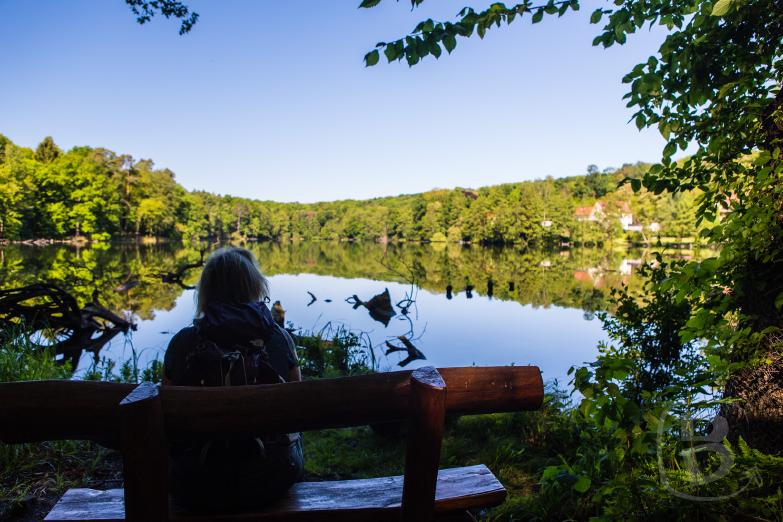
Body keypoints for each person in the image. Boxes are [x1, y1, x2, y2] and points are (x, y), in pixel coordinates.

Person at [163, 246, 303, 512]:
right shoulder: (278, 339)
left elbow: (166, 414)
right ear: (254, 286)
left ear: (207, 290)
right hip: (271, 476)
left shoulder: (183, 342)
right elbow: (298, 404)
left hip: (195, 480)